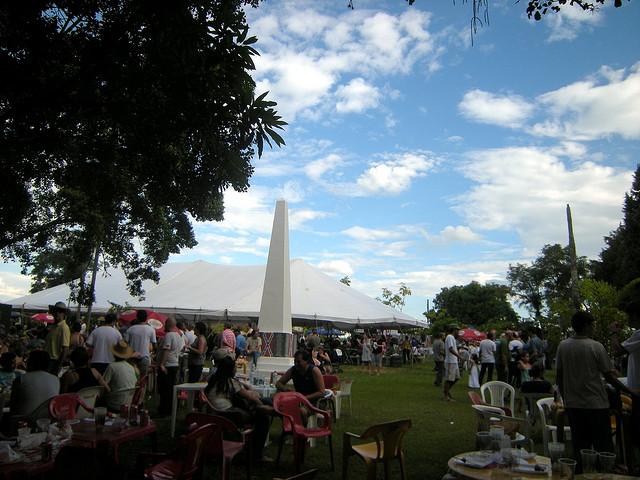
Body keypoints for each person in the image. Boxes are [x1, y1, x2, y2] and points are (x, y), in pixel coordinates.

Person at [555, 311, 639, 464]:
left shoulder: (563, 346)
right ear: (586, 326)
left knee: (580, 448)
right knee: (604, 448)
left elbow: (559, 376)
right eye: (592, 326)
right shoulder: (596, 346)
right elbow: (609, 378)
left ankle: (581, 473)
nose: (594, 328)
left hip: (574, 404)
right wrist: (631, 391)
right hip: (596, 405)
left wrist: (565, 398)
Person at [204, 355, 273, 462]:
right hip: (229, 415)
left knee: (266, 402)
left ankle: (255, 442)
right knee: (264, 416)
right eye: (235, 367)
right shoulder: (230, 382)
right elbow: (251, 398)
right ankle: (256, 453)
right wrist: (261, 406)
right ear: (231, 369)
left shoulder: (215, 379)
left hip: (218, 413)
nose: (236, 369)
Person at [609, 301, 640, 449]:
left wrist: (613, 332)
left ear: (634, 316)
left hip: (638, 391)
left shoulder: (639, 334)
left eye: (628, 316)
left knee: (637, 432)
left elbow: (618, 350)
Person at [275, 349, 325, 424]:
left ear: (306, 361)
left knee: (302, 411)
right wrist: (285, 389)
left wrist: (305, 398)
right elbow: (279, 383)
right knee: (281, 408)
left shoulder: (314, 371)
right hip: (298, 400)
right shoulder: (293, 370)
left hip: (314, 401)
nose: (296, 364)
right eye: (295, 361)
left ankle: (302, 431)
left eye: (299, 362)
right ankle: (289, 428)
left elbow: (321, 392)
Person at [9, 350, 59, 418]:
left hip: (24, 421)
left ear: (32, 363)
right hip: (48, 420)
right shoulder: (55, 379)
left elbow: (12, 405)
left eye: (28, 360)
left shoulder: (21, 379)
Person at [156, 317, 184, 418]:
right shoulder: (178, 335)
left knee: (164, 389)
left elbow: (166, 350)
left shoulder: (168, 336)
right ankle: (171, 409)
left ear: (168, 324)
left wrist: (162, 364)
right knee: (171, 388)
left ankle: (163, 410)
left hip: (167, 365)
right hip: (175, 364)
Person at [103, 339, 138, 411]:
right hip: (128, 401)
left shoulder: (112, 366)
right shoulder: (131, 367)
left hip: (114, 402)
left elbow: (103, 385)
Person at [124, 310, 157, 378]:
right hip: (144, 358)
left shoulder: (130, 329)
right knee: (142, 380)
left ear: (137, 317)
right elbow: (155, 345)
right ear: (146, 318)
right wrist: (154, 353)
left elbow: (125, 344)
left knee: (132, 378)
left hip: (131, 358)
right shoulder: (151, 330)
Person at [43, 301, 71, 374]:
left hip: (54, 361)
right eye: (56, 311)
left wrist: (59, 365)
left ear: (64, 314)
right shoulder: (54, 327)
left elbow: (65, 349)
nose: (57, 313)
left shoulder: (64, 328)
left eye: (60, 311)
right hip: (47, 359)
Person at [444, 325, 464, 402]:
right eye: (457, 330)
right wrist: (459, 356)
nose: (458, 331)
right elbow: (450, 348)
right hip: (450, 361)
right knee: (449, 379)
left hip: (454, 361)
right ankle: (446, 395)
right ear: (454, 330)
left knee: (456, 377)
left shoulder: (452, 338)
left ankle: (447, 391)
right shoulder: (449, 337)